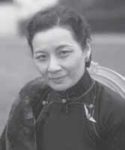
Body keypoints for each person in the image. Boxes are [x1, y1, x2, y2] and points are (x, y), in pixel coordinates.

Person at [0, 4, 125, 150]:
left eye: (63, 53)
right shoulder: (30, 97)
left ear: (86, 49)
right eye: (41, 57)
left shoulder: (114, 110)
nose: (52, 67)